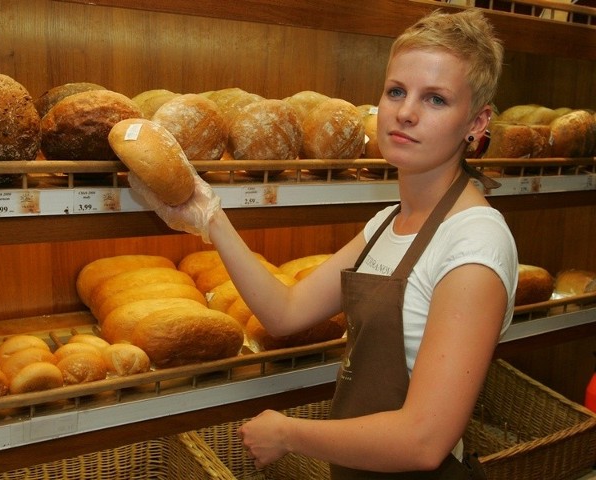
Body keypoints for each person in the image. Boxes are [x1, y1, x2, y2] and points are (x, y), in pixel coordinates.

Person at [128, 7, 518, 478]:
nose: (406, 112)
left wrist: (290, 434)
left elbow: (422, 441)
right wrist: (209, 217)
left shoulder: (474, 245)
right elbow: (286, 311)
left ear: (476, 122)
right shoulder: (386, 225)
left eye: (435, 99)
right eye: (396, 91)